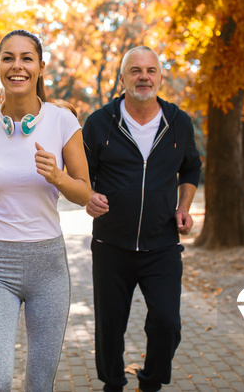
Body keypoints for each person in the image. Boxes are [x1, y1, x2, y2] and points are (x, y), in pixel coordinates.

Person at [0, 29, 91, 391]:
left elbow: (84, 193)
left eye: (26, 58)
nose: (17, 66)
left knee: (39, 383)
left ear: (39, 67)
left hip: (48, 267)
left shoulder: (62, 121)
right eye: (8, 58)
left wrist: (58, 177)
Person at [82, 46, 202, 392]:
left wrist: (184, 207)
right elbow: (81, 175)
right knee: (110, 326)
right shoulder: (100, 123)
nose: (143, 77)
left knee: (167, 322)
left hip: (162, 245)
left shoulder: (178, 122)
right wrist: (88, 197)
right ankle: (113, 384)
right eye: (135, 71)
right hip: (111, 245)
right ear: (122, 79)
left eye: (150, 70)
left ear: (160, 78)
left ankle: (150, 383)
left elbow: (191, 167)